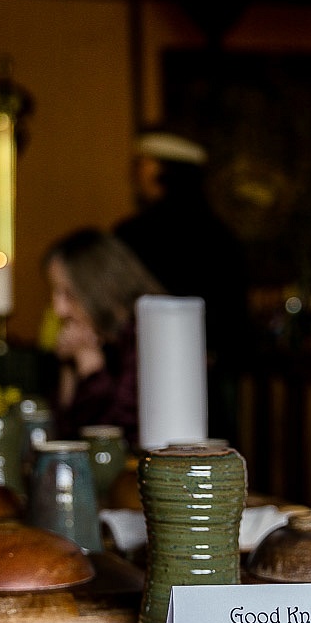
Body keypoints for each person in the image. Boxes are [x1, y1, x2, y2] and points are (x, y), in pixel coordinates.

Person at [113, 127, 251, 444]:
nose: (132, 175)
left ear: (163, 170)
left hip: (148, 380)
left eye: (140, 165)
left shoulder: (134, 236)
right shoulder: (223, 237)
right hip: (211, 384)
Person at [43, 227, 165, 447]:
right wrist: (70, 368)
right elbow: (62, 437)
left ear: (98, 289)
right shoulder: (96, 338)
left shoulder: (146, 338)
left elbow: (114, 443)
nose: (58, 309)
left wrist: (90, 368)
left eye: (68, 294)